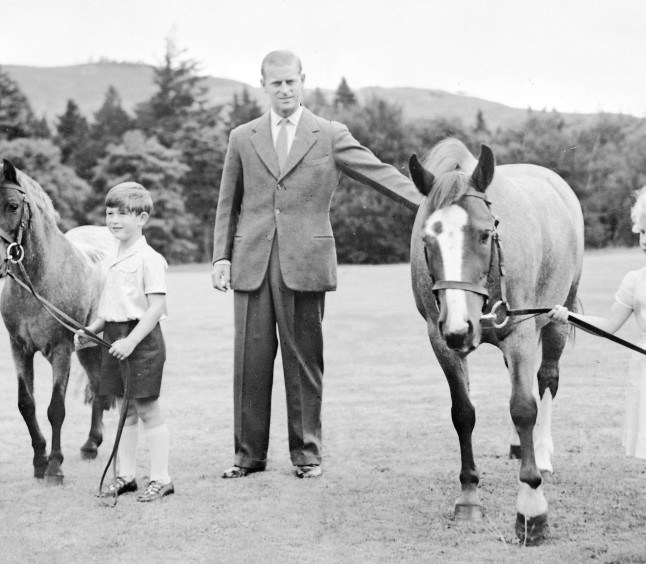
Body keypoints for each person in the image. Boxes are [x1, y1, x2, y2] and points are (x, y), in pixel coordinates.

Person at [211, 50, 423, 480]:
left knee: (304, 359)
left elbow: (379, 173)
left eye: (291, 82)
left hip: (305, 263)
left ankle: (307, 455)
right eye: (276, 83)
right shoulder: (241, 137)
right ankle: (247, 457)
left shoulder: (329, 134)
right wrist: (221, 257)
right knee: (250, 362)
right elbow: (226, 204)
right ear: (264, 85)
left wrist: (432, 203)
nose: (285, 90)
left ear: (303, 81)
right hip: (252, 261)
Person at [549, 181, 646, 564]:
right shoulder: (636, 280)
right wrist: (569, 315)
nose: (644, 240)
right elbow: (609, 325)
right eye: (641, 232)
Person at [75, 182, 173, 502]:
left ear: (142, 218)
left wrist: (130, 341)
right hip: (115, 338)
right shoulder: (111, 259)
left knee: (147, 410)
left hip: (141, 341)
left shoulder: (150, 258)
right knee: (125, 412)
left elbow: (156, 307)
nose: (114, 220)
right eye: (110, 213)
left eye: (123, 214)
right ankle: (126, 477)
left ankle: (161, 478)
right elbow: (110, 308)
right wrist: (92, 329)